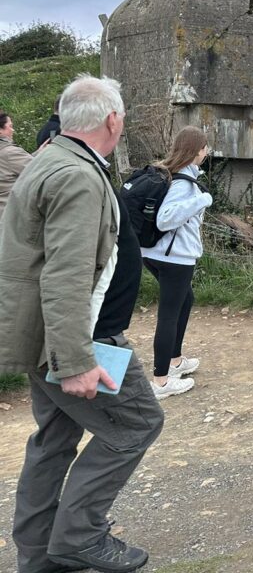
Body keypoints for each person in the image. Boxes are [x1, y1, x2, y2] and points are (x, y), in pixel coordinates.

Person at [0, 74, 160, 573]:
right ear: (113, 120)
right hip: (78, 339)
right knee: (136, 426)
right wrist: (75, 362)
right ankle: (79, 538)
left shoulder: (53, 157)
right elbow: (64, 275)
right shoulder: (77, 175)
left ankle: (40, 551)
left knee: (55, 438)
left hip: (48, 335)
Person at [140, 126, 212, 399]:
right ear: (197, 150)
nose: (207, 152)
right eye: (205, 147)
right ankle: (161, 381)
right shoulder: (182, 182)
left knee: (186, 300)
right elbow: (165, 218)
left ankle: (176, 360)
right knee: (169, 314)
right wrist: (201, 200)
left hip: (156, 254)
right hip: (175, 258)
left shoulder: (172, 175)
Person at [0, 111, 33, 221]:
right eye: (10, 126)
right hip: (10, 218)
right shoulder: (9, 153)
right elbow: (39, 170)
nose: (12, 130)